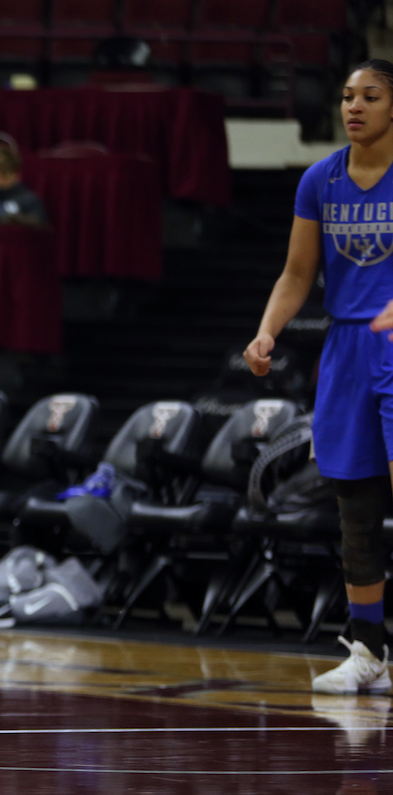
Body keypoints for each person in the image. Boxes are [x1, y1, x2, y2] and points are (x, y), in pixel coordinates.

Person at [244, 60, 393, 696]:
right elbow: (298, 274)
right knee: (355, 507)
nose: (353, 106)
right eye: (346, 96)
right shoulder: (320, 180)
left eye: (371, 96)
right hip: (347, 350)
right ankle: (370, 651)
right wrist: (268, 330)